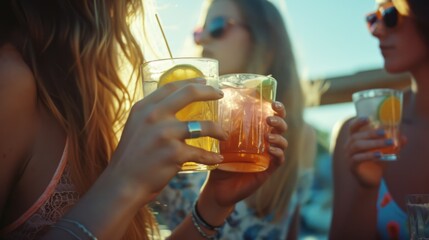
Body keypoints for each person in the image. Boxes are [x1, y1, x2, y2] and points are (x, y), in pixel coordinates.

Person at [0, 0, 289, 239]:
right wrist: (125, 181)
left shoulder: (87, 103)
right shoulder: (9, 80)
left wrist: (212, 204)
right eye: (200, 31)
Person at [156, 0, 317, 239]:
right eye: (198, 32)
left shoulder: (301, 136)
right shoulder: (180, 125)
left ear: (264, 40)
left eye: (218, 26)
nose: (202, 40)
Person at [329, 0, 429, 239]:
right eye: (372, 18)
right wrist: (367, 189)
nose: (376, 30)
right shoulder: (361, 135)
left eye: (390, 15)